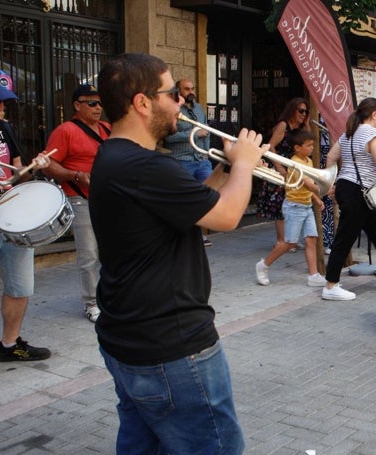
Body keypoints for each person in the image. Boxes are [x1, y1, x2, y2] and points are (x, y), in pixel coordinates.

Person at [89, 53, 265, 453]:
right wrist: (245, 165)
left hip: (129, 336)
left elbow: (197, 209)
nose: (182, 103)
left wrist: (223, 165)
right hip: (172, 347)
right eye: (173, 93)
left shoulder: (114, 156)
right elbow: (227, 215)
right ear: (142, 102)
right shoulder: (146, 166)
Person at [0, 65, 53, 398]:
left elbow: (16, 169)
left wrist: (34, 168)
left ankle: (9, 344)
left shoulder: (3, 126)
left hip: (11, 219)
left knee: (20, 287)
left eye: (4, 100)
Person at [322, 97, 376, 301]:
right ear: (374, 114)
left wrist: (333, 182)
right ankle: (331, 285)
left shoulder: (348, 134)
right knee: (345, 238)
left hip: (352, 190)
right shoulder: (371, 134)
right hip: (359, 193)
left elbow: (331, 158)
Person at [42, 84, 110, 322]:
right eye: (91, 103)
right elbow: (48, 163)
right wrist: (75, 175)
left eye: (100, 103)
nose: (97, 107)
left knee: (111, 252)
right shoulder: (66, 131)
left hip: (107, 199)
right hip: (81, 199)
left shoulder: (106, 129)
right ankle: (91, 302)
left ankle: (110, 297)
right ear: (77, 105)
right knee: (89, 253)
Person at [255, 128, 326, 287]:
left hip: (306, 206)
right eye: (308, 145)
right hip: (294, 207)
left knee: (311, 239)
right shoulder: (295, 163)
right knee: (289, 243)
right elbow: (308, 183)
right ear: (297, 148)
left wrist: (315, 199)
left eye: (312, 145)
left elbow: (305, 186)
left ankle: (313, 275)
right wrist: (326, 189)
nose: (312, 148)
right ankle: (263, 265)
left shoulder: (308, 161)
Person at [162, 78, 213, 246]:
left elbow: (206, 131)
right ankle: (183, 233)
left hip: (201, 159)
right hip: (182, 160)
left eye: (192, 88)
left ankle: (200, 233)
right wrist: (192, 134)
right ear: (178, 91)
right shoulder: (174, 109)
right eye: (186, 89)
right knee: (184, 199)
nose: (191, 92)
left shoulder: (198, 108)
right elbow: (168, 137)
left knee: (206, 196)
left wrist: (206, 152)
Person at [256, 97, 311, 244]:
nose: (303, 114)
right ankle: (282, 240)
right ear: (292, 110)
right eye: (301, 111)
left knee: (292, 202)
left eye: (306, 112)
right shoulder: (283, 125)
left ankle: (290, 237)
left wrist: (306, 124)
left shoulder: (300, 129)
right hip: (280, 165)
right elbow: (271, 145)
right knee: (279, 205)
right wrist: (279, 167)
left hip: (293, 168)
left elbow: (309, 142)